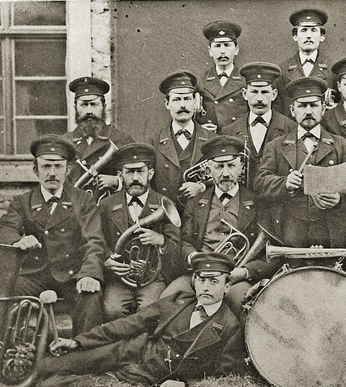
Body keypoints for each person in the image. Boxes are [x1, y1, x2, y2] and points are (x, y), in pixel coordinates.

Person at [32, 252, 248, 387]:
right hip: (126, 351)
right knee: (46, 366)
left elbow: (225, 375)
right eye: (201, 279)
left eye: (214, 281)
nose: (206, 287)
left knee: (50, 386)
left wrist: (186, 386)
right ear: (194, 281)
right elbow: (128, 324)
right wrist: (78, 342)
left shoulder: (229, 326)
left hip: (141, 380)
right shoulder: (177, 300)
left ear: (227, 285)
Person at [255, 77, 346, 288]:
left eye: (313, 105)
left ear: (323, 108)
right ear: (292, 110)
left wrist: (339, 197)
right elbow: (260, 183)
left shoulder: (340, 145)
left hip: (330, 237)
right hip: (290, 239)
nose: (308, 111)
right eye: (302, 106)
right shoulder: (276, 146)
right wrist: (284, 183)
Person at [0, 135, 106, 335]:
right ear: (36, 170)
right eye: (46, 167)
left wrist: (89, 274)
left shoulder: (83, 200)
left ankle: (85, 357)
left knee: (91, 296)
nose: (52, 173)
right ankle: (4, 354)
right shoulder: (23, 201)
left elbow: (94, 241)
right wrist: (17, 240)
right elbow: (2, 229)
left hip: (73, 274)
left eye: (58, 166)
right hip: (35, 275)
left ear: (67, 170)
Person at [164, 135, 277, 316]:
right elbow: (184, 242)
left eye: (231, 165)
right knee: (167, 301)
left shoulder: (257, 203)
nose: (225, 173)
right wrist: (193, 257)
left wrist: (245, 271)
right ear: (209, 169)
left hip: (236, 277)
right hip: (199, 274)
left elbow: (267, 255)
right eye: (219, 166)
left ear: (241, 167)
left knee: (244, 306)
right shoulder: (196, 202)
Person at [98, 143, 182, 321]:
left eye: (140, 171)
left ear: (150, 174)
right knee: (112, 310)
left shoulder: (163, 203)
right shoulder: (106, 205)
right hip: (119, 278)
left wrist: (161, 240)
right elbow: (97, 242)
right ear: (120, 175)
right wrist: (107, 259)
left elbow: (177, 247)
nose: (135, 177)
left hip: (153, 279)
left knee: (150, 311)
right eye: (129, 172)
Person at [148, 70, 215, 214]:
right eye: (177, 100)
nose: (183, 105)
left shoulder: (212, 139)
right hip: (166, 217)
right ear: (167, 104)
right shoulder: (153, 141)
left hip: (202, 217)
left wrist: (202, 187)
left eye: (187, 99)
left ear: (195, 102)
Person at [221, 62, 296, 190]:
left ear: (274, 94)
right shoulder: (229, 131)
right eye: (254, 92)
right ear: (244, 94)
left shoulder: (292, 128)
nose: (259, 98)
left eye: (265, 92)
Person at [63, 77, 134, 202]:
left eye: (94, 104)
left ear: (103, 107)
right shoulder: (65, 142)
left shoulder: (121, 139)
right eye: (84, 105)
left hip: (110, 211)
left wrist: (118, 181)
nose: (89, 111)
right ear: (75, 108)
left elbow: (139, 174)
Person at [275, 8, 335, 116]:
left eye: (313, 30)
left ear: (322, 36)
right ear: (295, 36)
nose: (308, 35)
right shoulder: (282, 70)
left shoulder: (333, 69)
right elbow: (277, 110)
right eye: (304, 30)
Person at [196, 20, 248, 132]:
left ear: (236, 50)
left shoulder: (246, 80)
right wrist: (199, 129)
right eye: (217, 46)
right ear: (210, 51)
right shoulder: (200, 81)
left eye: (227, 45)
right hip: (211, 142)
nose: (222, 51)